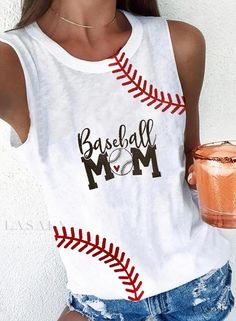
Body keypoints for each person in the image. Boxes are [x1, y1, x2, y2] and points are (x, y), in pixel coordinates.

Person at [0, 0, 235, 320]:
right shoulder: (14, 61)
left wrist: (212, 179)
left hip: (200, 286)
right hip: (105, 301)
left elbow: (188, 163)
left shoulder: (179, 43)